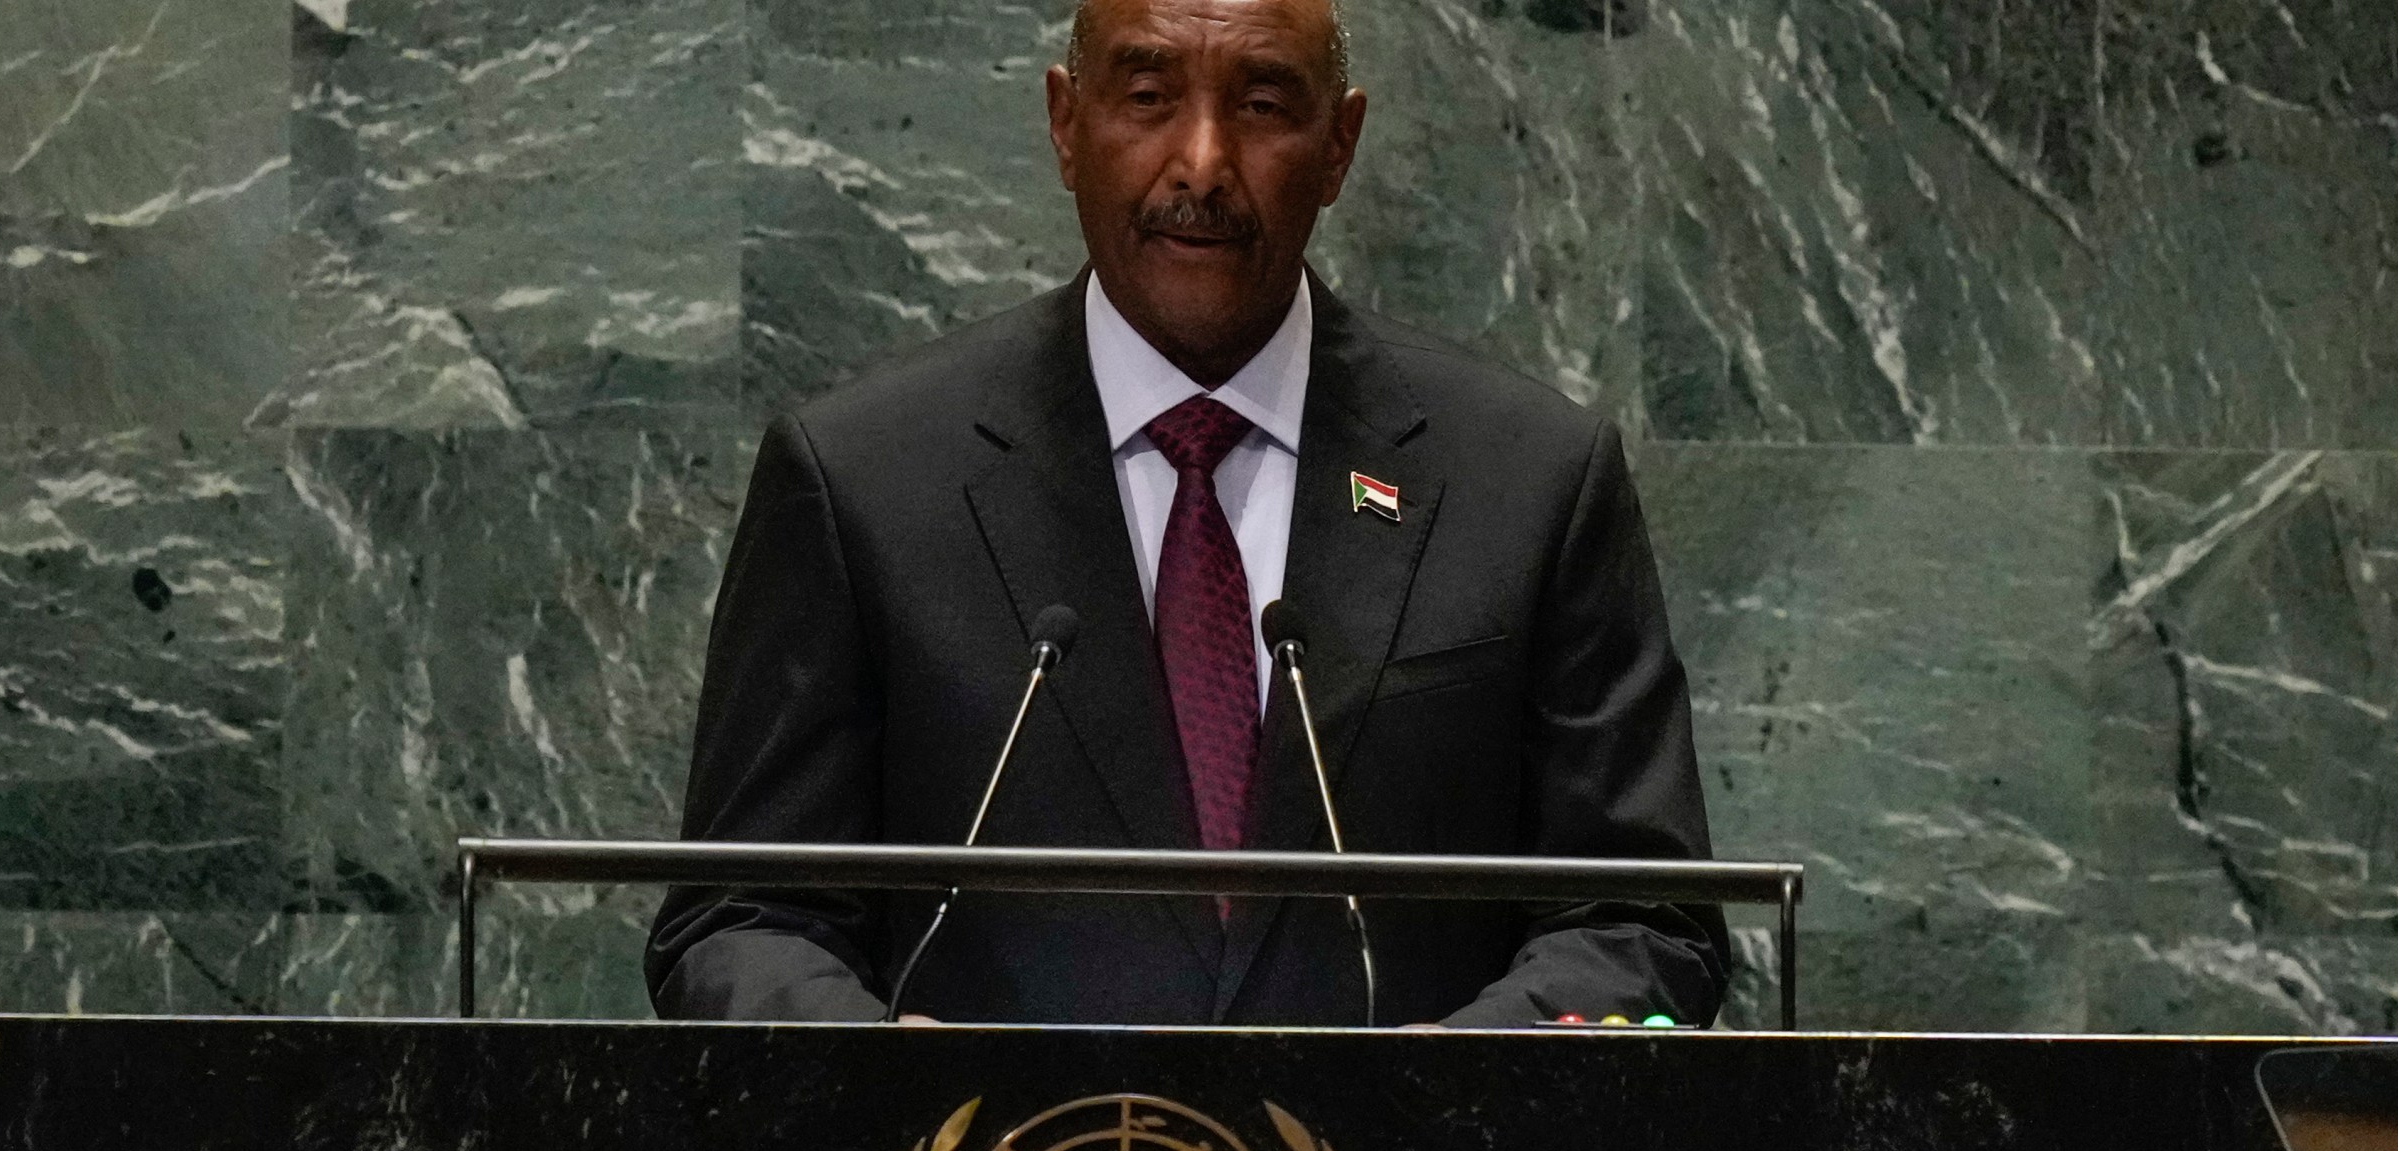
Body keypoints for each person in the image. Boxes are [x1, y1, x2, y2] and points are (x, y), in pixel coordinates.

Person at [644, 0, 1728, 1026]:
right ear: (1067, 126)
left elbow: (1640, 917)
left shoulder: (1528, 479)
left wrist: (1448, 1090)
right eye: (1148, 96)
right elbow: (740, 918)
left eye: (1260, 104)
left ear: (1340, 145)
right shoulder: (862, 481)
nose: (1202, 166)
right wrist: (898, 1080)